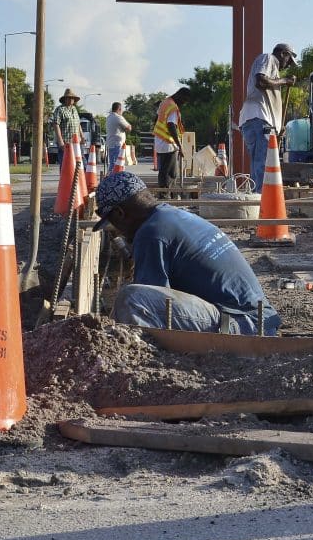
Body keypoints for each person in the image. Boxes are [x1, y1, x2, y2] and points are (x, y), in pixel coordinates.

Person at [95, 171, 281, 335]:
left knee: (132, 299)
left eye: (113, 223)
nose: (117, 231)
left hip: (243, 325)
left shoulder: (151, 234)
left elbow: (148, 300)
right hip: (259, 318)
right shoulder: (171, 216)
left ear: (119, 213)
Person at [240, 43, 298, 190]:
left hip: (256, 120)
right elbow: (261, 81)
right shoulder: (269, 58)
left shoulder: (272, 68)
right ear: (283, 54)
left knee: (258, 165)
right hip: (259, 119)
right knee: (263, 164)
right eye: (289, 60)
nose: (287, 65)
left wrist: (277, 126)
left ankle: (257, 199)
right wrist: (285, 81)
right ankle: (261, 202)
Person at [153, 87, 189, 191]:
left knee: (165, 171)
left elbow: (157, 119)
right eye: (184, 100)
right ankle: (165, 196)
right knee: (169, 173)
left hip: (160, 141)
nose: (184, 103)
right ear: (180, 96)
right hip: (168, 143)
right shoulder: (173, 107)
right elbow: (171, 125)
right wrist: (180, 145)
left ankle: (166, 194)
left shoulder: (165, 102)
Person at [50, 88, 82, 169]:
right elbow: (56, 124)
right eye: (69, 98)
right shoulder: (60, 109)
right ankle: (65, 181)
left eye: (73, 98)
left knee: (79, 163)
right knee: (65, 164)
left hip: (76, 141)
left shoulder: (74, 109)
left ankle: (75, 181)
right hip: (65, 141)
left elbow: (78, 123)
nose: (71, 100)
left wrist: (82, 136)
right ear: (65, 99)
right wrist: (60, 141)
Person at [105, 101, 132, 171]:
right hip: (117, 144)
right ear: (119, 109)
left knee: (112, 163)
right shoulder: (118, 117)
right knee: (118, 164)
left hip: (111, 143)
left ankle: (110, 178)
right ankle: (116, 179)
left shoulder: (109, 117)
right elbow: (129, 128)